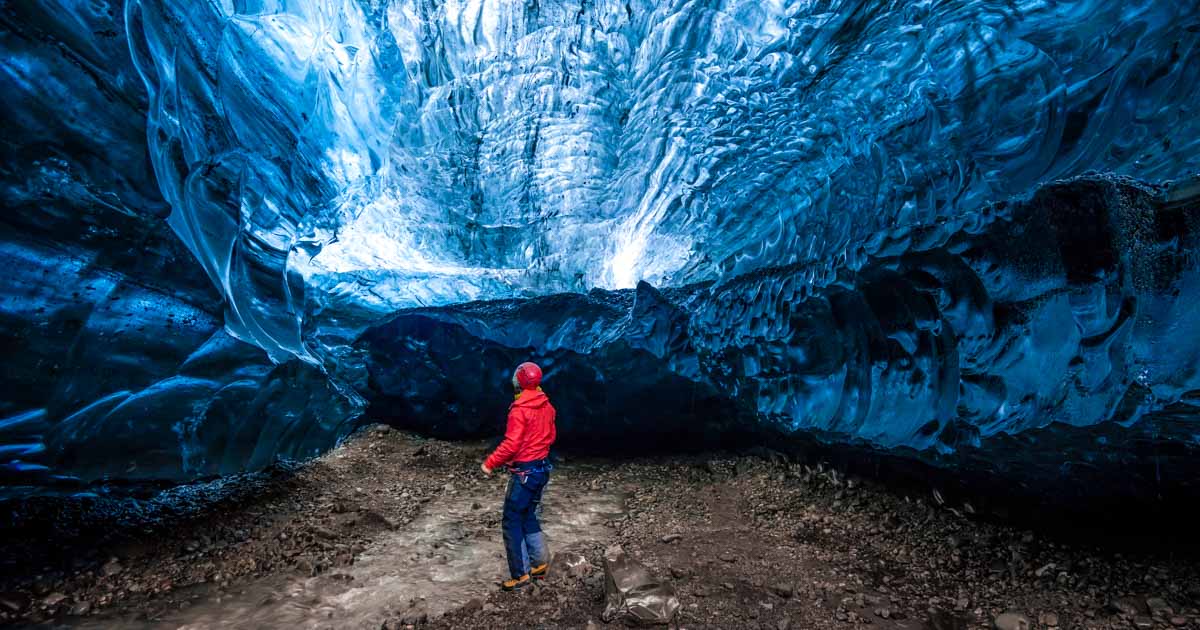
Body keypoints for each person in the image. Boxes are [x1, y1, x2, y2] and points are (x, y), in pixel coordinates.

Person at [480, 361, 557, 591]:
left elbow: (512, 444)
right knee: (529, 514)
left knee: (512, 519)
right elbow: (551, 437)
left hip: (524, 472)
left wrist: (490, 463)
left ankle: (520, 575)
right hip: (542, 469)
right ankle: (540, 565)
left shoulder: (520, 409)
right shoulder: (547, 406)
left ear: (519, 381)